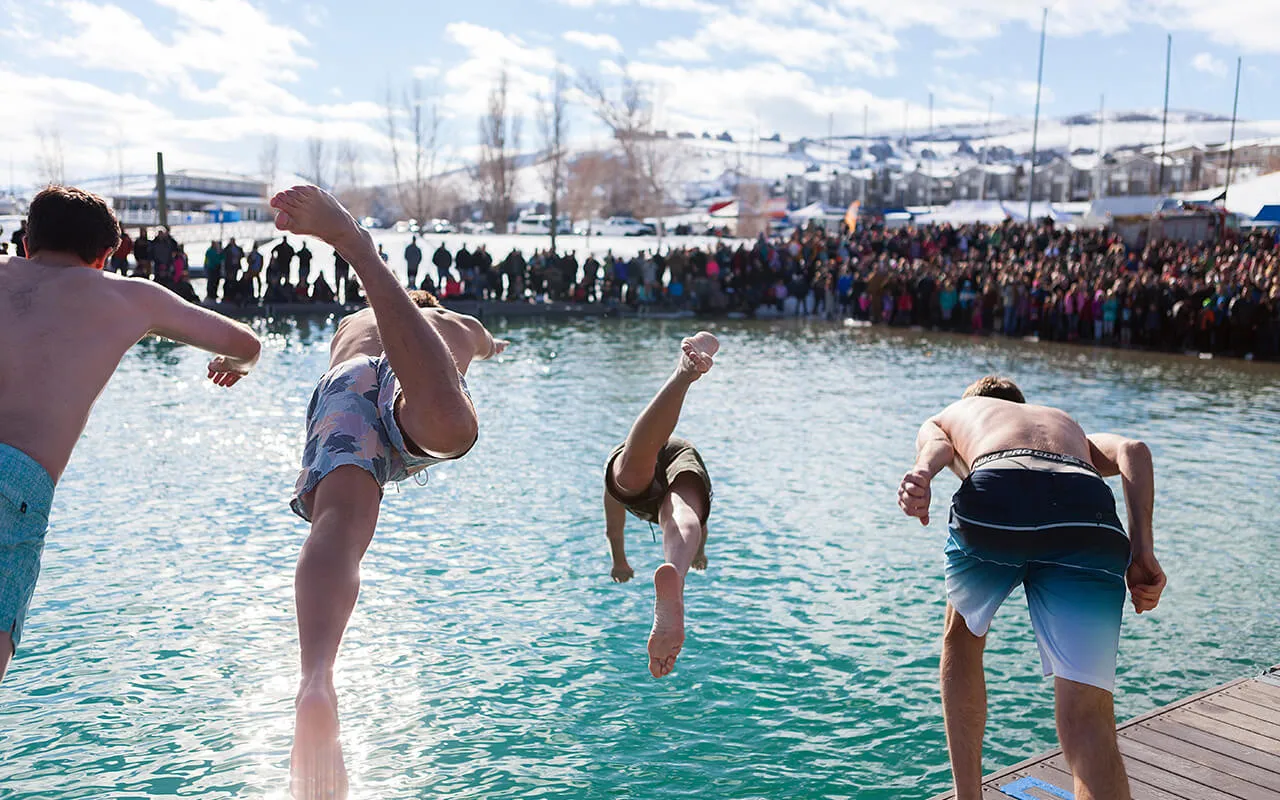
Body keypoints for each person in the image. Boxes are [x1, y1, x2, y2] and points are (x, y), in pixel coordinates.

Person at [273, 185, 507, 797]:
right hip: (419, 396)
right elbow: (485, 345)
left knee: (341, 531)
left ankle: (317, 677)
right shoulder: (454, 322)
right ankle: (358, 246)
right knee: (454, 430)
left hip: (344, 387)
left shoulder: (353, 324)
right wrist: (490, 346)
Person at [0, 186, 261, 683]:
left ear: (27, 241)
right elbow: (246, 343)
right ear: (105, 256)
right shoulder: (127, 296)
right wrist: (236, 365)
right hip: (15, 486)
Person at [896, 376, 1167, 800]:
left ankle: (969, 796)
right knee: (1088, 718)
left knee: (962, 637)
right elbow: (1134, 451)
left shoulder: (958, 412)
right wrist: (1141, 552)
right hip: (1085, 508)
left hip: (998, 489)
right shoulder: (1065, 425)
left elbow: (940, 446)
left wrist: (922, 475)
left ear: (978, 404)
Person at [604, 332, 717, 680]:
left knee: (633, 466)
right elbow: (700, 524)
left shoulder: (619, 486)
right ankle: (677, 573)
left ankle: (683, 373)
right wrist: (699, 552)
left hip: (639, 470)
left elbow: (613, 525)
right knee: (681, 513)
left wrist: (619, 560)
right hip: (682, 453)